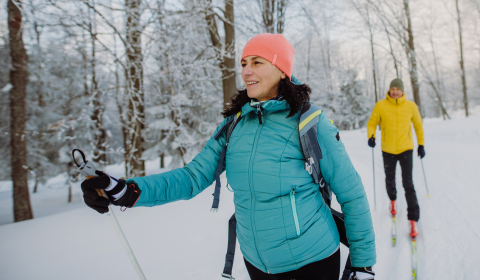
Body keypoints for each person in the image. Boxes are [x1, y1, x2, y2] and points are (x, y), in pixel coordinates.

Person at [80, 33, 377, 280]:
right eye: (244, 63)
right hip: (257, 265)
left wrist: (363, 265)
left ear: (281, 70)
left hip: (311, 260)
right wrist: (128, 191)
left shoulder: (310, 123)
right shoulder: (234, 125)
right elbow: (192, 177)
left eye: (257, 62)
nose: (246, 71)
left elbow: (351, 194)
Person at [366, 79, 424, 238]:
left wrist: (421, 145)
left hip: (406, 149)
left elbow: (418, 126)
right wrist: (371, 136)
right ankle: (393, 201)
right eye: (392, 89)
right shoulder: (381, 105)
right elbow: (372, 122)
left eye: (398, 89)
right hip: (388, 150)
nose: (395, 91)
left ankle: (413, 219)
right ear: (389, 90)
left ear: (402, 90)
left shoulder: (411, 106)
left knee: (408, 183)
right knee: (390, 179)